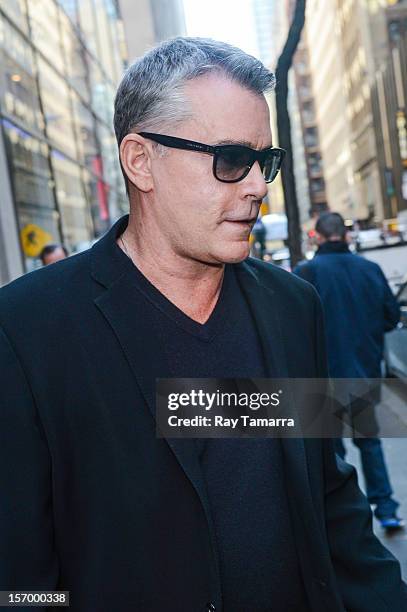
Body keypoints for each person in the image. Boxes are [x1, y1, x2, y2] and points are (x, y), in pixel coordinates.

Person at [0, 38, 406, 612]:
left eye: (265, 162)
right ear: (140, 160)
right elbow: (18, 576)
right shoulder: (26, 331)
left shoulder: (292, 307)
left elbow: (327, 497)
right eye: (231, 160)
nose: (258, 187)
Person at [294, 211, 404, 531]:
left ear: (316, 235)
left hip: (322, 379)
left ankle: (343, 520)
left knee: (332, 453)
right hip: (363, 374)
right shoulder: (369, 270)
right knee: (370, 444)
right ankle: (386, 508)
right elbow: (390, 317)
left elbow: (295, 326)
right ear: (345, 234)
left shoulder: (306, 273)